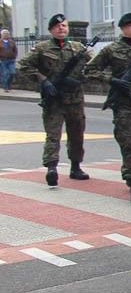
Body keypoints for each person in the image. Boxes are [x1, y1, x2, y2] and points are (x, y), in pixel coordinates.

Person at [84, 11, 131, 204]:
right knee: (128, 143)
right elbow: (90, 70)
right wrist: (113, 81)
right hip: (123, 103)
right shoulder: (111, 50)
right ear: (123, 28)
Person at [18, 13, 91, 186]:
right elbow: (24, 65)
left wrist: (81, 79)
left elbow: (93, 66)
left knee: (77, 135)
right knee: (53, 135)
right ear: (51, 30)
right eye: (58, 26)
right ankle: (52, 168)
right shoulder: (42, 48)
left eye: (64, 26)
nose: (61, 28)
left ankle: (75, 166)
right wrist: (43, 81)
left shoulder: (78, 48)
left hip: (74, 99)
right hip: (54, 100)